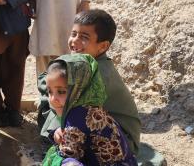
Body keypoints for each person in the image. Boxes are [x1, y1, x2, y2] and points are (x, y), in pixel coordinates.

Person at [38, 9, 141, 155]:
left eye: (84, 37)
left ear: (103, 46)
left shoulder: (99, 71)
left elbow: (74, 106)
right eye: (73, 34)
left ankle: (62, 144)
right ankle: (56, 137)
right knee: (53, 95)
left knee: (64, 99)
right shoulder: (82, 64)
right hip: (103, 131)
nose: (74, 41)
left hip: (122, 141)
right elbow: (46, 78)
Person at [42, 54, 137, 166]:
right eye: (49, 92)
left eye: (61, 92)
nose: (53, 99)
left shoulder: (77, 115)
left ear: (79, 88)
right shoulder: (89, 107)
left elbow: (67, 154)